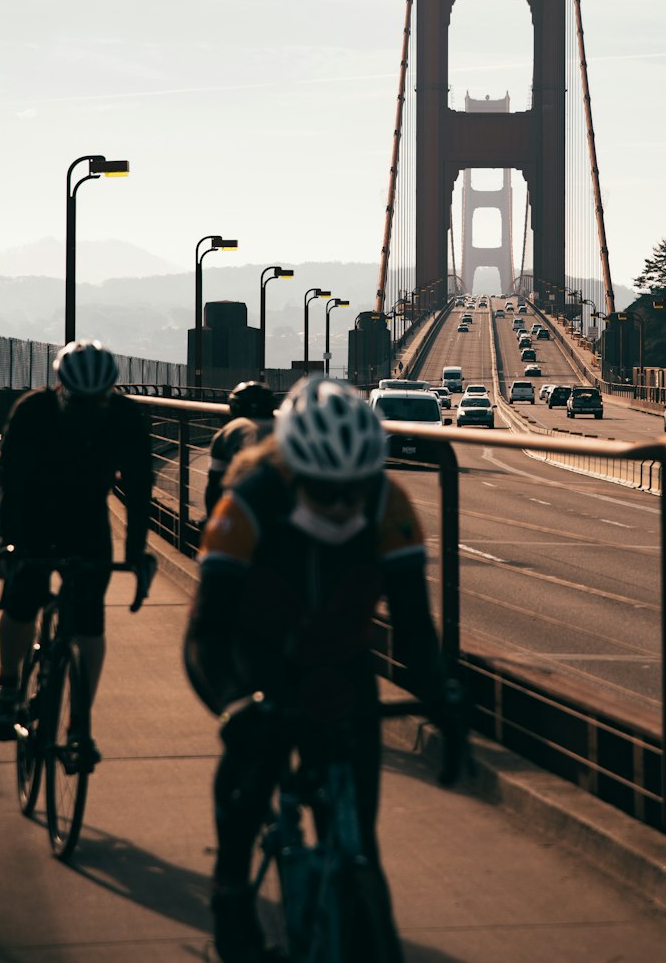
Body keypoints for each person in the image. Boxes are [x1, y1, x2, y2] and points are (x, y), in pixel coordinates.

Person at [185, 375, 463, 963]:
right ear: (293, 470)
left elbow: (414, 626)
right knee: (252, 767)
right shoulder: (249, 502)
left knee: (360, 840)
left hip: (342, 660)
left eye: (352, 491)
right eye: (323, 490)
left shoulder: (389, 503)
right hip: (257, 653)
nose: (340, 503)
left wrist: (444, 697)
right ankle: (231, 893)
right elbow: (206, 635)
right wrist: (234, 702)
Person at [0, 340, 154, 753]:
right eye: (79, 401)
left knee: (90, 622)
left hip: (87, 517)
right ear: (62, 390)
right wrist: (7, 545)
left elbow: (138, 490)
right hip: (33, 514)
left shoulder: (125, 417)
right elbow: (10, 484)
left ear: (109, 394)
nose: (88, 409)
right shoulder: (32, 411)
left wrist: (135, 555)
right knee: (22, 600)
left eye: (97, 401)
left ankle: (80, 723)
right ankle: (8, 688)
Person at [205, 381, 276, 516]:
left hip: (243, 508)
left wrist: (211, 518)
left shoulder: (230, 431)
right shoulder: (284, 428)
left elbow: (214, 484)